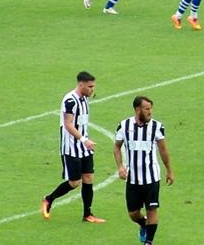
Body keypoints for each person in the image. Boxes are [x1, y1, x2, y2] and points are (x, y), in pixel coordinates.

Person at [40, 71, 106, 223]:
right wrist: (84, 139)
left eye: (93, 86)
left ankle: (87, 214)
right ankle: (49, 199)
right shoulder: (70, 101)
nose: (92, 89)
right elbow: (68, 124)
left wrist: (85, 141)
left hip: (84, 146)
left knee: (89, 178)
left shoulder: (84, 99)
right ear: (81, 85)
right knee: (74, 182)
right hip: (71, 147)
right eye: (90, 86)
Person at [114, 96, 174, 245]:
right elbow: (116, 147)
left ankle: (149, 242)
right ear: (137, 109)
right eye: (147, 109)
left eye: (151, 109)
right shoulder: (124, 126)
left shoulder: (157, 127)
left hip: (151, 178)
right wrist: (120, 166)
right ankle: (143, 224)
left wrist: (169, 170)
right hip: (132, 178)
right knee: (133, 214)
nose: (150, 112)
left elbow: (163, 150)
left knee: (152, 210)